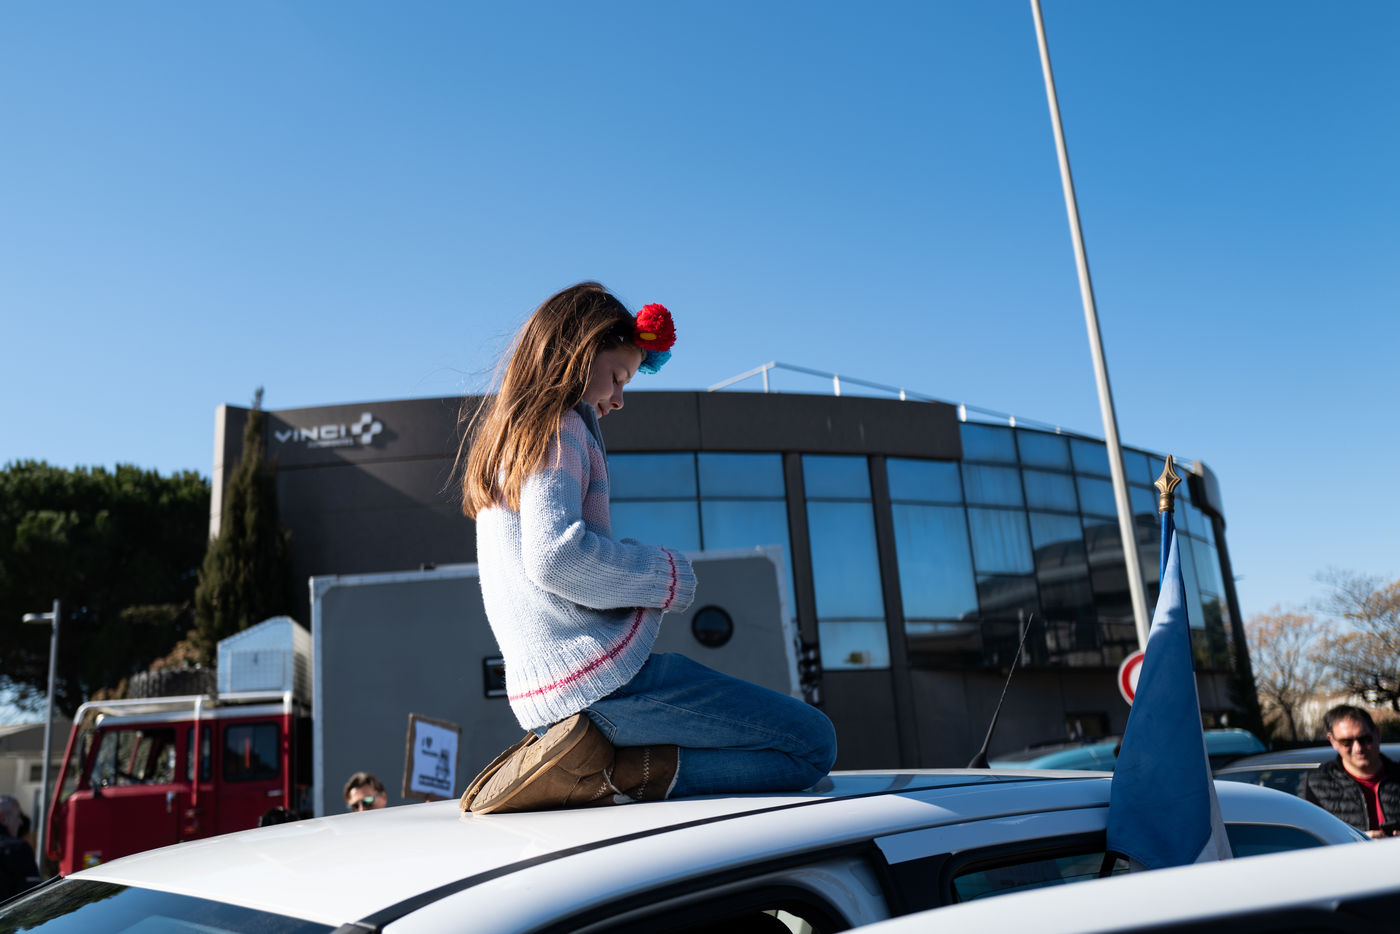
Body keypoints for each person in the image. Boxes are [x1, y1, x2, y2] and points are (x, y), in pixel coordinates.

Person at [456, 282, 836, 815]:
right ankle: (615, 773)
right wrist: (665, 574)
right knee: (812, 743)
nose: (619, 399)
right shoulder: (563, 428)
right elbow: (556, 556)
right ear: (579, 350)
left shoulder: (513, 440)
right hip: (598, 682)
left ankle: (604, 767)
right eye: (618, 376)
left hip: (548, 697)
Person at [1299, 705, 1400, 838]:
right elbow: (1308, 838)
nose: (1358, 748)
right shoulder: (1315, 784)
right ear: (1332, 741)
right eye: (1346, 742)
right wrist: (1357, 840)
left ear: (1377, 734)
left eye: (1365, 739)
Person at [0, 794, 39, 900]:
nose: (21, 822)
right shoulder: (19, 849)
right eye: (17, 816)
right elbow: (32, 896)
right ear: (3, 819)